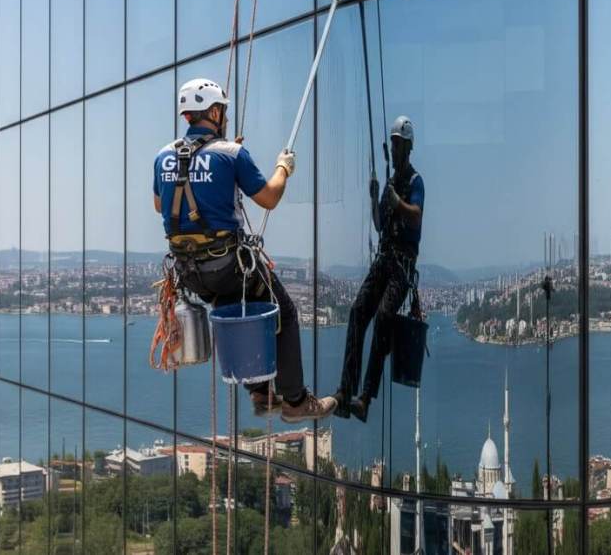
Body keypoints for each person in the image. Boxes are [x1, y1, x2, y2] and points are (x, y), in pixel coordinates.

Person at [153, 78, 336, 422]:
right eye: (222, 110)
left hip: (192, 273)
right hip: (227, 265)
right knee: (283, 311)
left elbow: (159, 204)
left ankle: (261, 394)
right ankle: (296, 401)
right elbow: (269, 197)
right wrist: (284, 167)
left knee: (235, 309)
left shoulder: (164, 155)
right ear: (214, 110)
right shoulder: (231, 154)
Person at [334, 116, 425, 421]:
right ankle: (346, 391)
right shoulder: (391, 185)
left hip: (401, 265)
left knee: (385, 316)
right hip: (385, 258)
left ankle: (365, 397)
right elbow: (380, 224)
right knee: (359, 312)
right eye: (394, 145)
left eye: (399, 145)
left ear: (407, 148)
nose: (395, 150)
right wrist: (376, 198)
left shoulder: (415, 182)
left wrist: (396, 202)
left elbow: (415, 216)